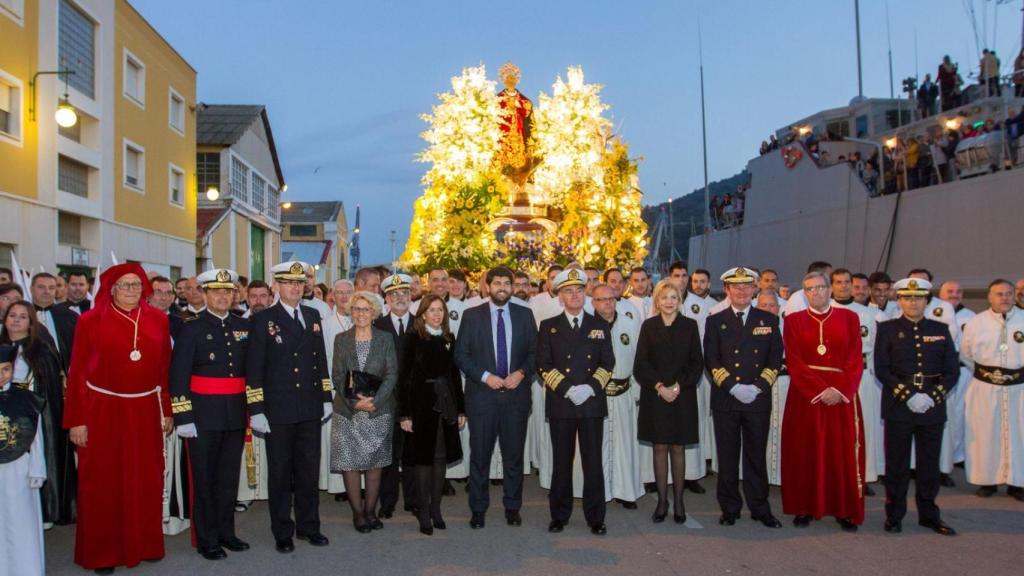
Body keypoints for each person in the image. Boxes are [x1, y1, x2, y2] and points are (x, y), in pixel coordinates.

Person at [64, 263, 173, 573]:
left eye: (136, 285)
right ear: (110, 288)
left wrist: (165, 409)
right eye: (124, 285)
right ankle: (103, 553)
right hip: (102, 410)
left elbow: (163, 370)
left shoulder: (158, 320)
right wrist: (77, 420)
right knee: (103, 482)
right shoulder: (89, 321)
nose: (131, 291)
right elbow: (77, 374)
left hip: (144, 409)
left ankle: (145, 543)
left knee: (144, 480)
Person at [246, 261, 332, 553]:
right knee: (281, 472)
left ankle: (310, 526)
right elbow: (254, 367)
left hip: (308, 405)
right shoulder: (263, 320)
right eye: (289, 283)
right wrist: (256, 408)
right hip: (278, 409)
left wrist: (326, 397)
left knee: (308, 470)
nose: (296, 287)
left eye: (299, 283)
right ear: (277, 287)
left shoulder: (312, 314)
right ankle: (283, 530)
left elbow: (320, 360)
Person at [169, 269, 252, 560]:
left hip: (234, 413)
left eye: (227, 292)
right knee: (204, 479)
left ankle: (226, 532)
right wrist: (183, 417)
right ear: (204, 294)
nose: (222, 296)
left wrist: (253, 409)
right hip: (202, 416)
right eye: (216, 291)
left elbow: (250, 373)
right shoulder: (191, 328)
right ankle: (207, 539)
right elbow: (178, 376)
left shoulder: (244, 326)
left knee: (228, 478)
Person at [781, 271, 865, 532]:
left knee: (840, 454)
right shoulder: (793, 321)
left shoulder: (849, 318)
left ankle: (843, 508)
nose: (815, 292)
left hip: (841, 398)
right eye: (809, 289)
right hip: (806, 398)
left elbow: (854, 358)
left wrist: (838, 390)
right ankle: (805, 506)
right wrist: (819, 390)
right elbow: (793, 360)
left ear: (830, 290)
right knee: (805, 452)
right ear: (803, 294)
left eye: (819, 287)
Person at [874, 278, 959, 536]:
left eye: (918, 298)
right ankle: (895, 514)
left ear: (926, 300)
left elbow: (952, 371)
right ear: (899, 300)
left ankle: (929, 515)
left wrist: (932, 396)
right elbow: (882, 369)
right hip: (899, 405)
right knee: (897, 466)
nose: (913, 302)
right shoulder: (887, 329)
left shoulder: (940, 329)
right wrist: (908, 395)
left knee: (928, 465)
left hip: (932, 407)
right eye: (907, 298)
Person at [455, 266, 537, 529]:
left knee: (513, 457)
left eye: (506, 283)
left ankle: (513, 508)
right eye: (497, 283)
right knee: (480, 457)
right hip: (482, 398)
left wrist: (522, 373)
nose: (502, 287)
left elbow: (536, 353)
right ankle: (478, 509)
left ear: (512, 287)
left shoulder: (525, 315)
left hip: (516, 398)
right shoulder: (471, 316)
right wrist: (485, 376)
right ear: (487, 286)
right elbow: (461, 355)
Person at [704, 267, 784, 528]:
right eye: (735, 286)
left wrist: (758, 387)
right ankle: (729, 508)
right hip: (727, 399)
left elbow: (775, 359)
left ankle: (760, 507)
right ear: (727, 290)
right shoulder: (715, 320)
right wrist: (733, 386)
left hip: (757, 400)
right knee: (727, 457)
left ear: (754, 289)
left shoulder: (768, 320)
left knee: (755, 456)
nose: (741, 291)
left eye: (746, 286)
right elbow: (711, 359)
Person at [538, 268, 614, 535]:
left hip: (591, 403)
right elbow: (543, 365)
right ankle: (559, 514)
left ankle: (596, 517)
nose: (574, 295)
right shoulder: (549, 326)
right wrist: (569, 390)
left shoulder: (600, 325)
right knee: (561, 461)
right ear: (560, 297)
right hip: (562, 403)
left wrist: (590, 388)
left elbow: (608, 363)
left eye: (579, 290)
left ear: (586, 293)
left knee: (593, 461)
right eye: (568, 291)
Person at [633, 278, 703, 525]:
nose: (669, 302)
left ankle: (679, 501)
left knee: (678, 448)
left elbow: (697, 363)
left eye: (673, 297)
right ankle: (662, 502)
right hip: (656, 395)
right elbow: (640, 364)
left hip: (682, 396)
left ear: (679, 300)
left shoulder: (690, 326)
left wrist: (678, 386)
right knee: (660, 447)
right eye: (664, 298)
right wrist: (660, 387)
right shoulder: (649, 327)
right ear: (657, 301)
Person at [1, 300, 75, 526]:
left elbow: (48, 384)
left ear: (31, 323)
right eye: (12, 315)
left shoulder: (39, 349)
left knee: (32, 465)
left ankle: (43, 510)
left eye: (23, 317)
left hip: (30, 416)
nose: (16, 320)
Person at [331, 290, 398, 533]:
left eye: (366, 309)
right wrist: (353, 402)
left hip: (377, 411)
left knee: (374, 464)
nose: (361, 313)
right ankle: (358, 514)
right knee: (350, 464)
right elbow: (337, 375)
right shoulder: (341, 339)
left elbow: (392, 374)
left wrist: (376, 401)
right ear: (351, 311)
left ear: (374, 313)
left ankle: (371, 511)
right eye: (357, 309)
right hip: (347, 412)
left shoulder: (385, 339)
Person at [398, 294, 465, 535]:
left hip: (444, 404)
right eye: (432, 310)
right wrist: (404, 414)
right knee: (422, 461)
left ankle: (436, 509)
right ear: (423, 313)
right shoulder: (413, 338)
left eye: (441, 310)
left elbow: (454, 376)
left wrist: (460, 409)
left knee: (440, 459)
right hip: (420, 406)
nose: (437, 314)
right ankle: (423, 512)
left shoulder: (449, 338)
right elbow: (404, 377)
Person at [960, 279, 1024, 501]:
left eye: (1008, 294)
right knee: (985, 434)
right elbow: (966, 354)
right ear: (989, 297)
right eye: (999, 294)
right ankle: (987, 480)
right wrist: (989, 373)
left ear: (1015, 296)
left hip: (1019, 388)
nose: (1004, 298)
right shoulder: (976, 323)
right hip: (985, 388)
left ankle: (1018, 482)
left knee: (1019, 434)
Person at [591, 283, 644, 508]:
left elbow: (640, 360)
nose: (608, 303)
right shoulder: (586, 325)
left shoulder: (630, 324)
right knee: (597, 446)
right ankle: (598, 492)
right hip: (596, 395)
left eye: (611, 299)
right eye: (602, 299)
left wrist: (636, 391)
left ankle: (625, 492)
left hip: (623, 394)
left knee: (624, 447)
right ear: (593, 302)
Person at [832, 269, 883, 492]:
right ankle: (832, 474)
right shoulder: (824, 311)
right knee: (834, 431)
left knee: (862, 428)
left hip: (861, 377)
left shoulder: (867, 314)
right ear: (831, 285)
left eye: (847, 282)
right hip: (832, 377)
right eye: (838, 282)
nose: (843, 286)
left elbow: (875, 349)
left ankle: (861, 473)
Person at [0, 344, 47, 575]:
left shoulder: (26, 399)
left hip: (19, 467)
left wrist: (37, 469)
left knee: (21, 520)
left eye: (5, 369)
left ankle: (26, 568)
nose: (1, 375)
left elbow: (35, 438)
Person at [373, 274, 417, 518]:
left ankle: (413, 500)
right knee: (388, 455)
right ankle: (387, 502)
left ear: (411, 297)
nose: (401, 298)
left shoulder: (421, 323)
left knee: (412, 453)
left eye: (405, 294)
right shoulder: (378, 325)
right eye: (395, 295)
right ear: (386, 299)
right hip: (387, 401)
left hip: (414, 400)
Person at [679, 269, 715, 491]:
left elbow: (705, 343)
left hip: (693, 374)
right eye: (677, 276)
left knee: (695, 423)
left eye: (685, 276)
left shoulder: (701, 307)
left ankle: (692, 474)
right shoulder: (656, 311)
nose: (681, 280)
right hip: (665, 380)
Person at [939, 280, 975, 466]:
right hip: (939, 373)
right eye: (950, 291)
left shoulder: (971, 317)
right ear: (941, 294)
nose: (955, 294)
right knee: (944, 416)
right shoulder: (935, 313)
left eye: (959, 291)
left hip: (964, 371)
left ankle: (958, 455)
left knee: (961, 414)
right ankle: (941, 458)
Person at [30, 272, 77, 371]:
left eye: (51, 288)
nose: (46, 291)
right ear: (31, 289)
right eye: (41, 287)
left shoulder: (70, 317)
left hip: (60, 373)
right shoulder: (23, 315)